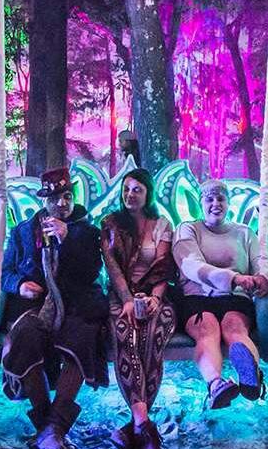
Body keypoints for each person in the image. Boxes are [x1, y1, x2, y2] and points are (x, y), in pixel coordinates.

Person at [1, 168, 108, 449]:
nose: (62, 203)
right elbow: (5, 273)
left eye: (67, 196)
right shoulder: (23, 232)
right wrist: (20, 285)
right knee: (26, 337)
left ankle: (53, 427)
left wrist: (67, 238)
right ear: (44, 201)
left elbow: (91, 272)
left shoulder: (87, 232)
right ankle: (47, 426)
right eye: (55, 199)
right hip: (35, 305)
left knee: (82, 337)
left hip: (76, 303)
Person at [173, 179, 268, 410]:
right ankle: (216, 385)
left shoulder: (245, 233)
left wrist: (265, 279)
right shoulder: (188, 229)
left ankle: (251, 377)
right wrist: (233, 278)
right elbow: (190, 264)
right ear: (201, 203)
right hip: (197, 297)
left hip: (235, 298)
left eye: (220, 199)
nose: (215, 204)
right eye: (209, 199)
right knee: (206, 330)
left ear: (228, 203)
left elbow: (262, 262)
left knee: (235, 328)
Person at [101, 169, 175, 449]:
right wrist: (129, 300)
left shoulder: (161, 224)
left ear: (148, 194)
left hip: (157, 295)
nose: (130, 195)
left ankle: (136, 426)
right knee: (126, 335)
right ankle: (143, 424)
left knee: (151, 338)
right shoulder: (110, 224)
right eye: (126, 189)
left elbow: (163, 266)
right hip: (121, 296)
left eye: (137, 190)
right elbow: (113, 270)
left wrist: (154, 298)